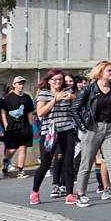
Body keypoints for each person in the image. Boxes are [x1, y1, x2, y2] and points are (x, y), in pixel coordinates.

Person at [72, 61, 111, 205]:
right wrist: (83, 126)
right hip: (93, 128)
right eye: (109, 71)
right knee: (87, 162)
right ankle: (81, 194)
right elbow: (75, 108)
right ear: (100, 72)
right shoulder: (89, 89)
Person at [33, 69, 79, 204]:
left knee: (68, 162)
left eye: (60, 79)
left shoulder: (68, 91)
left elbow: (77, 105)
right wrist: (54, 100)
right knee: (46, 164)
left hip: (67, 130)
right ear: (49, 81)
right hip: (49, 133)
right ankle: (35, 191)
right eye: (54, 79)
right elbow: (40, 112)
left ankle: (69, 194)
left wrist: (73, 98)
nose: (57, 82)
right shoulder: (44, 93)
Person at [0, 77, 35, 176]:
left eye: (22, 84)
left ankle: (20, 170)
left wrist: (30, 125)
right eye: (19, 83)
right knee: (12, 149)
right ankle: (6, 161)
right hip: (12, 126)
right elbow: (3, 112)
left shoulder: (27, 98)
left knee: (23, 147)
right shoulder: (8, 97)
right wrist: (5, 124)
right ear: (14, 85)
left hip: (24, 125)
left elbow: (29, 112)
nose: (21, 85)